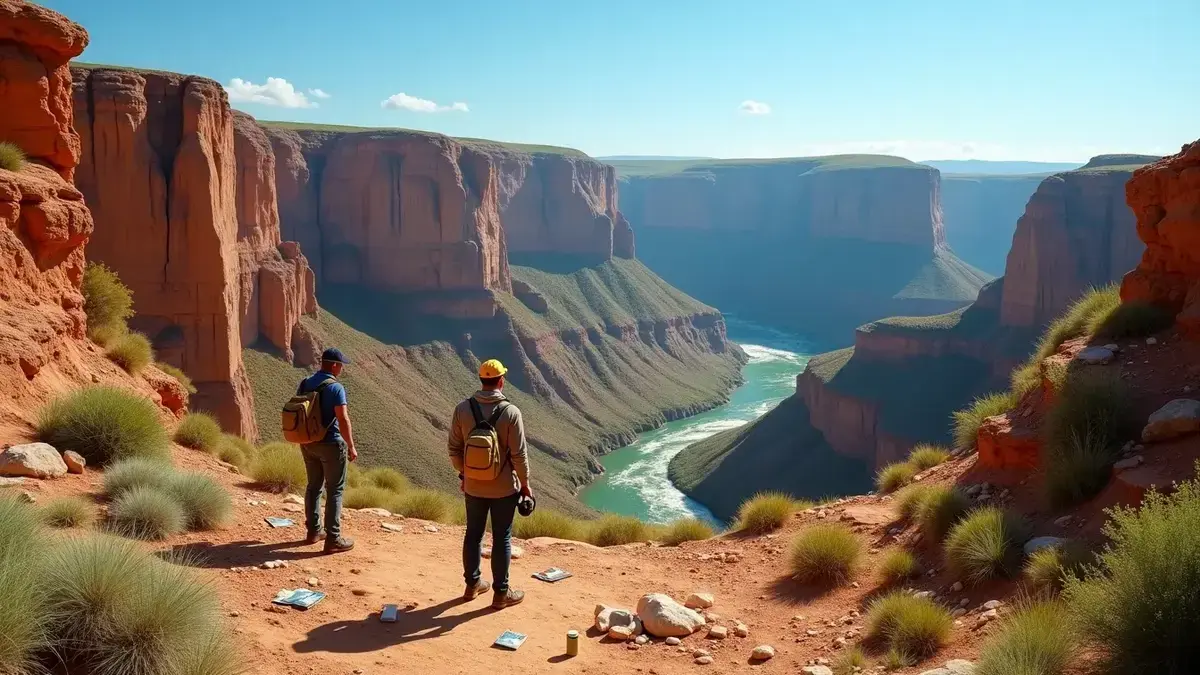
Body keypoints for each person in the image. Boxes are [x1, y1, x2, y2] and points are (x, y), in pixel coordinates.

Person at [448, 358, 531, 609]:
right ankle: (501, 594)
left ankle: (472, 585)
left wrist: (465, 475)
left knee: (473, 534)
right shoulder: (511, 412)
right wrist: (525, 485)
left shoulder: (462, 409)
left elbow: (454, 449)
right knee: (501, 537)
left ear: (481, 380)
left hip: (473, 486)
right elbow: (519, 455)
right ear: (501, 381)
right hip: (504, 487)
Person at [296, 347, 357, 553]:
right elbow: (343, 418)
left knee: (313, 487)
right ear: (332, 365)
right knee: (335, 490)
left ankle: (313, 532)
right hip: (331, 444)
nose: (341, 369)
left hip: (307, 442)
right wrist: (351, 445)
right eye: (340, 365)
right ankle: (333, 539)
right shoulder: (336, 388)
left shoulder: (305, 383)